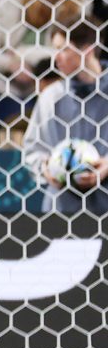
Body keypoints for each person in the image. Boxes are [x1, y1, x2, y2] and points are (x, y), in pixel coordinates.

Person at [22, 21, 107, 214]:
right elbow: (31, 150)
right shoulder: (50, 97)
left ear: (88, 49)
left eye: (63, 50)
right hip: (60, 211)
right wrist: (46, 168)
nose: (56, 58)